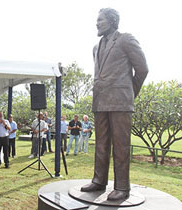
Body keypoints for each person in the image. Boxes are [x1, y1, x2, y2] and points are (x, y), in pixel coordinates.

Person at [81, 8, 148, 201]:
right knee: (101, 144)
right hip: (100, 101)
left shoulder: (126, 39)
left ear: (111, 21)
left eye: (100, 20)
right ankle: (99, 180)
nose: (97, 23)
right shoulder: (96, 47)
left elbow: (142, 69)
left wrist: (128, 94)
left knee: (121, 145)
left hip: (120, 101)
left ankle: (122, 187)